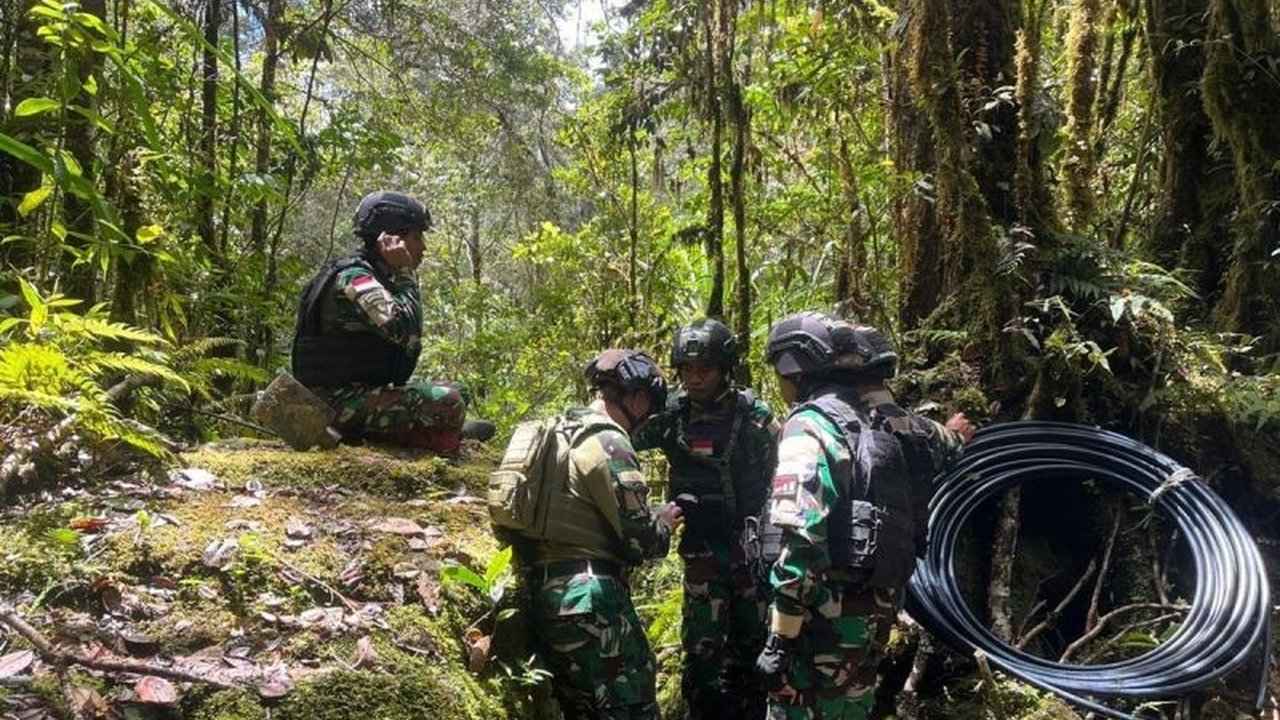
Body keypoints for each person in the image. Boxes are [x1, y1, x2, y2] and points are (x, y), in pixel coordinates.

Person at [753, 311, 974, 720]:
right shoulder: (894, 424)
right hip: (875, 613)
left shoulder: (810, 426)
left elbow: (801, 535)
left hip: (818, 620)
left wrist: (780, 640)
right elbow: (944, 441)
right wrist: (956, 431)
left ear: (795, 370)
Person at [521, 349, 683, 720]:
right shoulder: (611, 442)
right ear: (638, 398)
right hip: (593, 600)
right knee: (632, 708)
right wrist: (663, 520)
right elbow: (642, 541)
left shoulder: (560, 431)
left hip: (548, 596)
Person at [632, 318, 778, 719]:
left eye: (705, 369)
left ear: (725, 368)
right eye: (687, 370)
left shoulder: (754, 416)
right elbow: (619, 439)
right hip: (701, 550)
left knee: (752, 644)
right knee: (701, 646)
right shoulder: (671, 415)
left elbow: (782, 472)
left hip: (750, 549)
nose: (695, 379)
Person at [290, 190, 492, 455]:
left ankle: (433, 431)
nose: (424, 247)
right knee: (449, 402)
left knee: (458, 391)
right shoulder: (356, 279)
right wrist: (406, 273)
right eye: (417, 237)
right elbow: (404, 329)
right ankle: (431, 435)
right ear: (391, 240)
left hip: (357, 393)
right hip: (328, 406)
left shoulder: (377, 277)